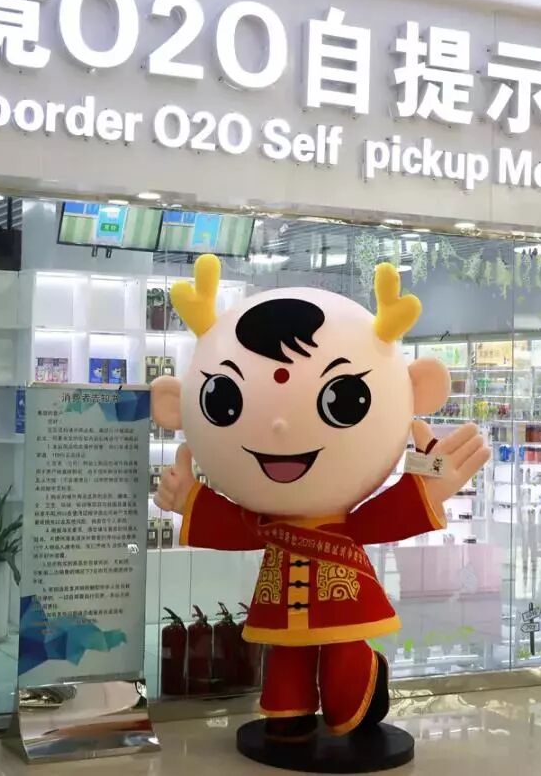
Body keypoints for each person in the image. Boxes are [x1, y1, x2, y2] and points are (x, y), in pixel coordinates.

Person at [151, 254, 490, 739]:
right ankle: (287, 712)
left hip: (341, 594)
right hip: (283, 591)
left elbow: (374, 520)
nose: (279, 426)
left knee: (343, 657)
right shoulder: (264, 519)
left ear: (417, 390)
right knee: (285, 662)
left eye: (343, 399)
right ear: (175, 404)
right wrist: (190, 499)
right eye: (224, 401)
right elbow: (241, 527)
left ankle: (352, 696)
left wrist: (428, 488)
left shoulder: (312, 519)